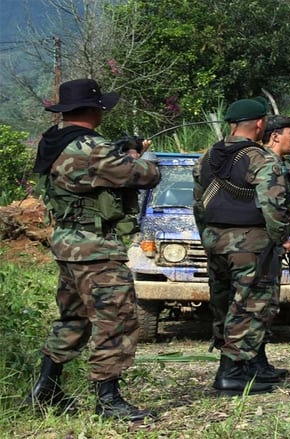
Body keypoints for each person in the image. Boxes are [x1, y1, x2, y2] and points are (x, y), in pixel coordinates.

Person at [28, 78, 160, 421]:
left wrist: (120, 151)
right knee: (116, 321)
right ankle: (108, 400)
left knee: (72, 319)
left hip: (67, 245)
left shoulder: (53, 141)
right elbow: (146, 175)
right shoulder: (94, 148)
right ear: (93, 110)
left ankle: (46, 389)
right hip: (96, 249)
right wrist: (135, 154)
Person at [193, 100, 290, 395]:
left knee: (224, 304)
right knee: (251, 306)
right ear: (260, 125)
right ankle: (231, 373)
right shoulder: (260, 158)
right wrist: (280, 237)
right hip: (251, 245)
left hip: (215, 243)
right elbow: (273, 205)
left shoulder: (207, 157)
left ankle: (249, 366)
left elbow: (198, 204)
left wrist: (208, 238)